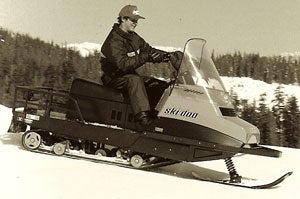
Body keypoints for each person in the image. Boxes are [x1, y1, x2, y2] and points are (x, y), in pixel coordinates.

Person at [100, 5, 174, 127]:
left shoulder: (133, 37)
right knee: (135, 80)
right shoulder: (113, 41)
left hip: (128, 78)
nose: (135, 23)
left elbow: (149, 51)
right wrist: (145, 57)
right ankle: (143, 120)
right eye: (133, 20)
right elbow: (123, 64)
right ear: (123, 19)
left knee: (156, 83)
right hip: (113, 80)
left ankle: (156, 116)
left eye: (137, 21)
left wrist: (170, 56)